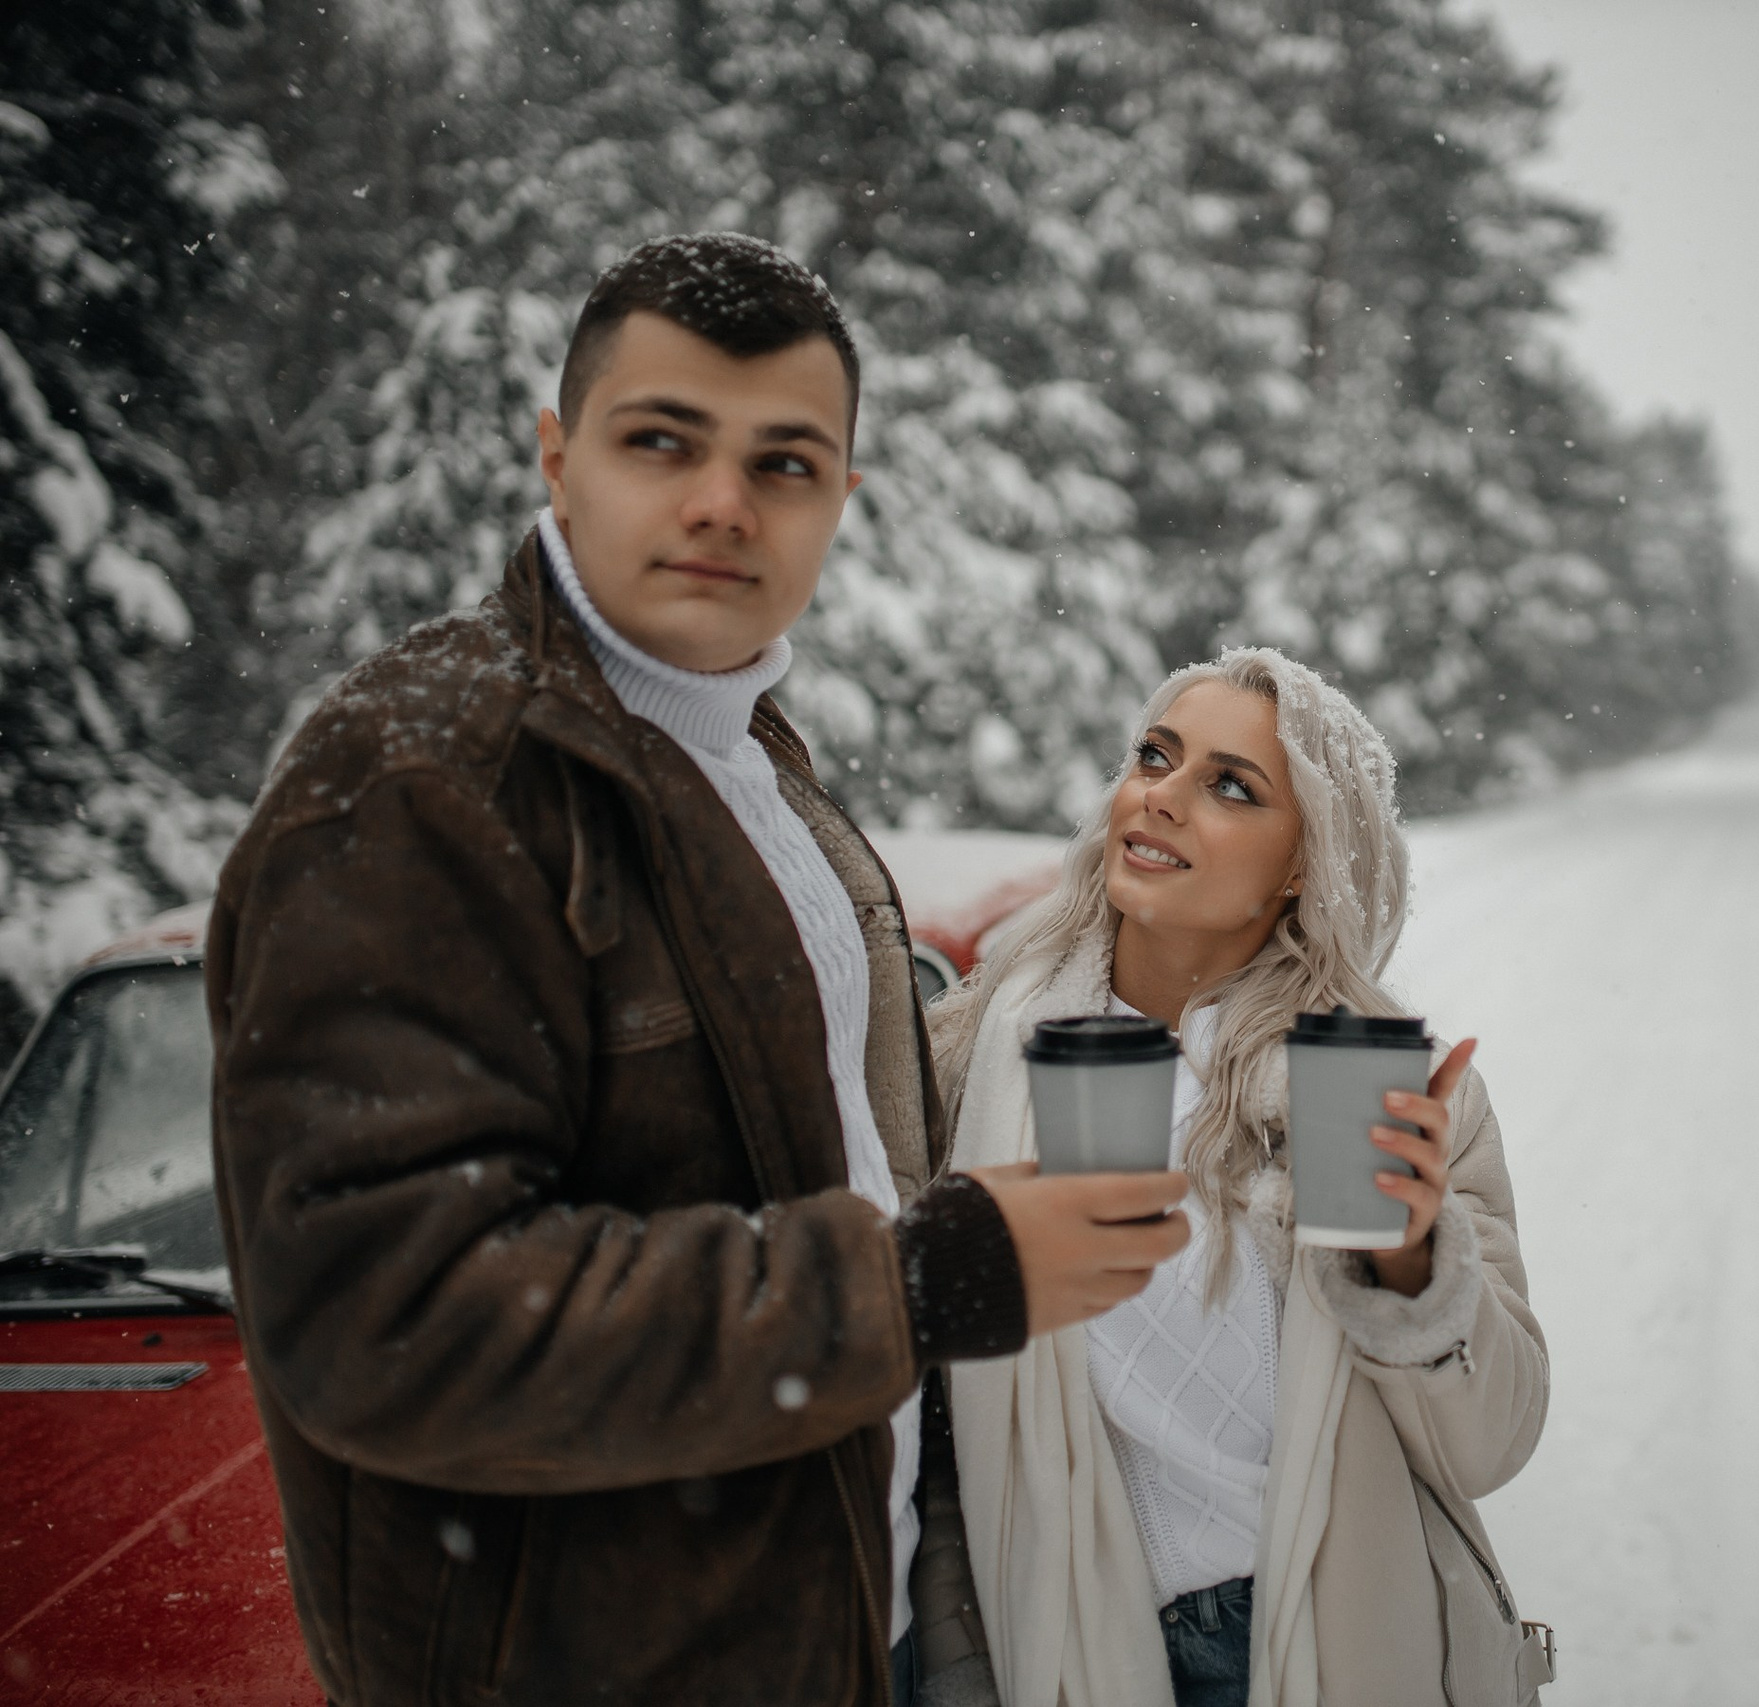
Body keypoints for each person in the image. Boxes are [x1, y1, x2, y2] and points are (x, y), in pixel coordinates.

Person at [207, 232, 1190, 1707]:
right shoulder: (425, 778)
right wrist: (917, 1280)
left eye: (786, 462)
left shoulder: (740, 754)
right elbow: (387, 1316)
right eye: (663, 439)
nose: (724, 503)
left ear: (842, 500)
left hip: (825, 1622)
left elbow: (800, 1143)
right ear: (557, 456)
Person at [930, 649, 1552, 1707]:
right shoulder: (973, 1058)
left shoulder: (1373, 1087)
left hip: (1325, 1634)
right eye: (1154, 758)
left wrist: (1410, 1262)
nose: (1160, 796)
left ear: (1304, 861)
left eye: (1231, 786)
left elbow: (1487, 1442)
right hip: (1072, 1636)